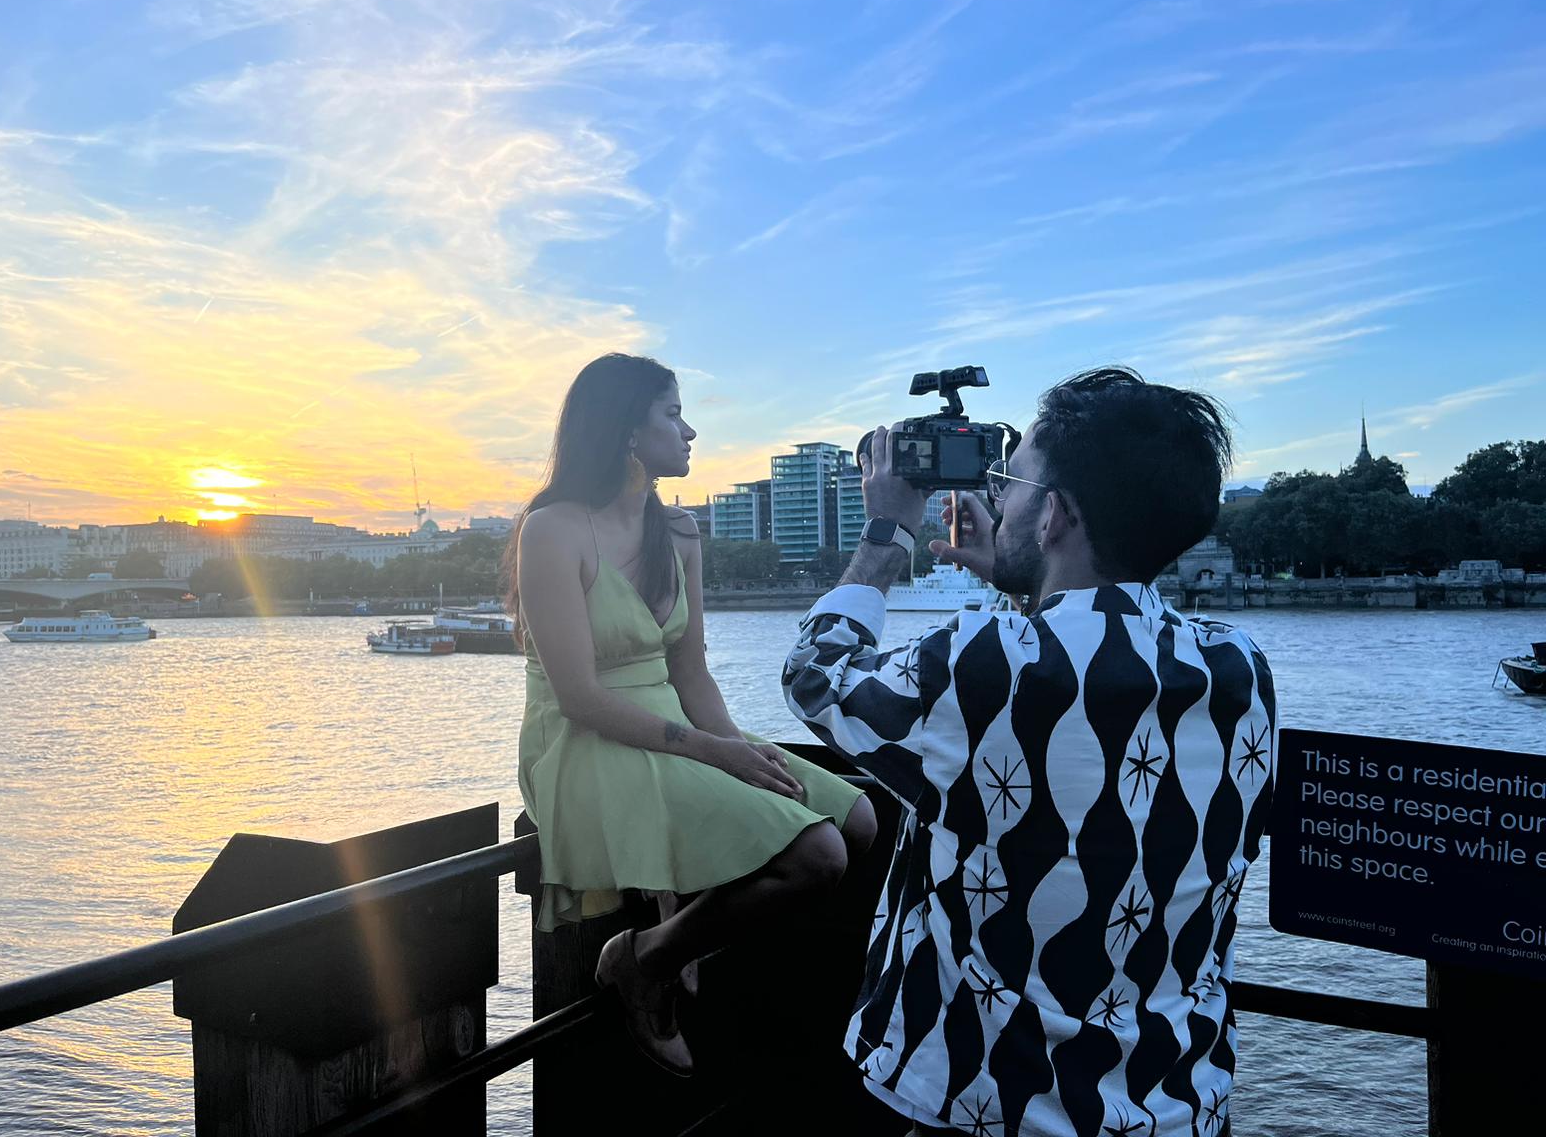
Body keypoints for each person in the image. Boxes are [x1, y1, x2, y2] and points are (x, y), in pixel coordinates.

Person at [783, 368, 1275, 1137]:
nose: (999, 501)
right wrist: (1026, 580)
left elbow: (816, 677)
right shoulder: (1238, 668)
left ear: (1054, 515)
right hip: (1174, 1104)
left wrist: (888, 533)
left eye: (1011, 483)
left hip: (990, 1104)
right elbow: (1081, 687)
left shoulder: (983, 658)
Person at [508, 352, 877, 1076]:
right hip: (584, 741)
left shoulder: (676, 533)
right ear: (626, 430)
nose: (690, 431)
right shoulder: (552, 530)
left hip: (673, 725)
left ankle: (689, 929)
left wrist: (740, 749)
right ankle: (643, 960)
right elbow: (580, 697)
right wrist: (716, 755)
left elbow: (691, 670)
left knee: (859, 821)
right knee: (818, 855)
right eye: (673, 414)